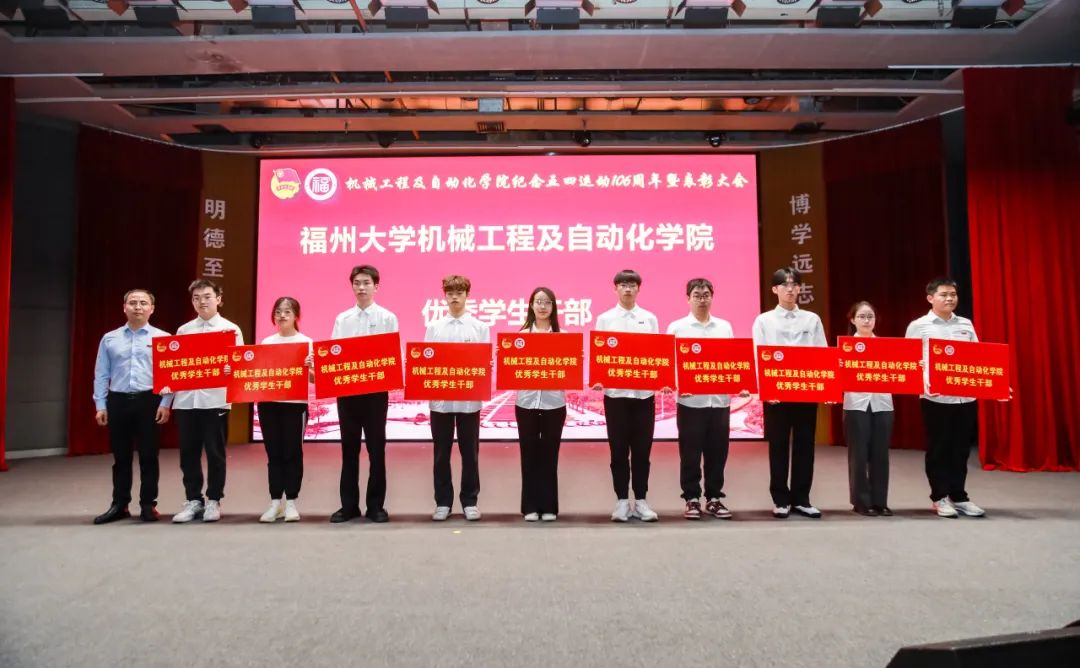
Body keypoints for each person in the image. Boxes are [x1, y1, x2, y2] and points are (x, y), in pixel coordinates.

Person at [905, 278, 986, 519]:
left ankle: (959, 496)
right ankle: (939, 497)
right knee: (939, 449)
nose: (950, 298)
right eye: (944, 294)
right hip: (936, 398)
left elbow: (978, 356)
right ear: (930, 298)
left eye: (953, 294)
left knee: (961, 450)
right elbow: (908, 360)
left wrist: (995, 384)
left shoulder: (965, 324)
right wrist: (923, 382)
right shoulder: (919, 325)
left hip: (965, 397)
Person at [751, 267, 828, 519]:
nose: (791, 289)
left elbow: (822, 353)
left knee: (806, 445)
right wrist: (765, 390)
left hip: (806, 391)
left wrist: (825, 387)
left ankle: (802, 498)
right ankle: (780, 499)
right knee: (779, 446)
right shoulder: (764, 320)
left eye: (795, 284)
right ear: (775, 289)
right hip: (776, 394)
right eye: (785, 285)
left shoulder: (811, 319)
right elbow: (758, 356)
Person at [91, 289, 173, 524]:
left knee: (149, 456)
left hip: (150, 401)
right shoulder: (110, 338)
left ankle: (148, 504)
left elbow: (170, 374)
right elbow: (101, 373)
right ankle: (120, 504)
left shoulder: (163, 338)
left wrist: (166, 403)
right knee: (121, 457)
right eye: (133, 302)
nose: (138, 307)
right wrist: (100, 404)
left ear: (152, 309)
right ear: (124, 307)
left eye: (143, 303)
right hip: (118, 401)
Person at [666, 278, 743, 521]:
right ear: (688, 299)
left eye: (706, 295)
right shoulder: (677, 327)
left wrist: (740, 384)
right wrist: (678, 384)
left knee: (718, 453)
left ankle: (714, 498)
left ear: (712, 297)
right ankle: (691, 498)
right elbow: (669, 362)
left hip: (719, 401)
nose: (702, 299)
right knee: (690, 453)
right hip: (690, 402)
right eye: (697, 295)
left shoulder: (724, 327)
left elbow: (733, 360)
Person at [170, 279, 245, 524]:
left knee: (215, 452)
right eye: (196, 298)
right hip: (186, 400)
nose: (202, 301)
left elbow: (240, 364)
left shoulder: (230, 330)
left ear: (219, 299)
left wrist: (230, 368)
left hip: (216, 400)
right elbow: (174, 365)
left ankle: (214, 499)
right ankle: (193, 499)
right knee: (188, 453)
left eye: (207, 296)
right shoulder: (184, 330)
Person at [329, 265, 399, 524]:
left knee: (376, 450)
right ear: (352, 286)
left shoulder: (387, 318)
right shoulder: (343, 319)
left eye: (366, 283)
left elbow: (393, 354)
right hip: (348, 392)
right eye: (357, 283)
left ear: (376, 286)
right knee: (349, 450)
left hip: (375, 394)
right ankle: (348, 506)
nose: (361, 287)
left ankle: (376, 506)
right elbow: (334, 352)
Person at [594, 269, 661, 523]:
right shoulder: (605, 319)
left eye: (632, 284)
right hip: (616, 396)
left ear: (639, 289)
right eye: (623, 285)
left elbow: (657, 354)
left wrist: (663, 379)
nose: (628, 289)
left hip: (644, 396)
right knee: (618, 451)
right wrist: (598, 377)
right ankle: (622, 500)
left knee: (642, 451)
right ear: (615, 289)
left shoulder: (649, 319)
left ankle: (641, 500)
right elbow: (600, 354)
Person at [425, 275, 490, 521]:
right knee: (441, 453)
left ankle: (470, 501)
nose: (454, 297)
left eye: (459, 293)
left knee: (470, 453)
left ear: (467, 295)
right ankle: (443, 502)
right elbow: (427, 359)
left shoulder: (479, 327)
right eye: (450, 293)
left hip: (469, 400)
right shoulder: (434, 327)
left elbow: (484, 363)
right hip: (440, 400)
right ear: (444, 295)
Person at [255, 297, 315, 523]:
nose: (282, 315)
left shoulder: (306, 343)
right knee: (273, 453)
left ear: (296, 315)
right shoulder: (267, 342)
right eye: (278, 311)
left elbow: (315, 379)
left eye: (287, 311)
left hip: (295, 406)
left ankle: (291, 502)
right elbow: (259, 373)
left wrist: (309, 368)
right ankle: (274, 503)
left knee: (292, 452)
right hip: (269, 404)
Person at [515, 287, 567, 522]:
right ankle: (530, 506)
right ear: (531, 305)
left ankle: (549, 506)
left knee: (549, 455)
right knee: (528, 454)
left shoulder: (563, 337)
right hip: (526, 402)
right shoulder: (520, 337)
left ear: (553, 307)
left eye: (547, 302)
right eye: (538, 301)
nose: (543, 306)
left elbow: (569, 371)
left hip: (554, 403)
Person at [843, 301, 894, 517]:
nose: (866, 321)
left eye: (870, 317)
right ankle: (861, 501)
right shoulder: (845, 347)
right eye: (862, 316)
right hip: (856, 404)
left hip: (883, 404)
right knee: (859, 454)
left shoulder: (886, 346)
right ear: (852, 320)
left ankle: (880, 501)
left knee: (881, 454)